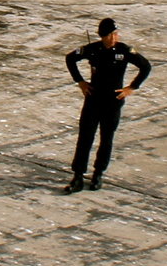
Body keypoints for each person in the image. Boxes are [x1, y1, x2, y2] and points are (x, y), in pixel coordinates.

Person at [62, 17, 151, 193]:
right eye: (111, 34)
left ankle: (98, 174)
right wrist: (80, 81)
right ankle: (78, 176)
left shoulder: (124, 51)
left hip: (113, 101)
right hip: (93, 99)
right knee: (85, 137)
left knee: (106, 138)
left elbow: (145, 67)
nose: (114, 38)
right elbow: (70, 59)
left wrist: (131, 88)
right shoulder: (93, 49)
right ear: (103, 36)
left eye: (116, 34)